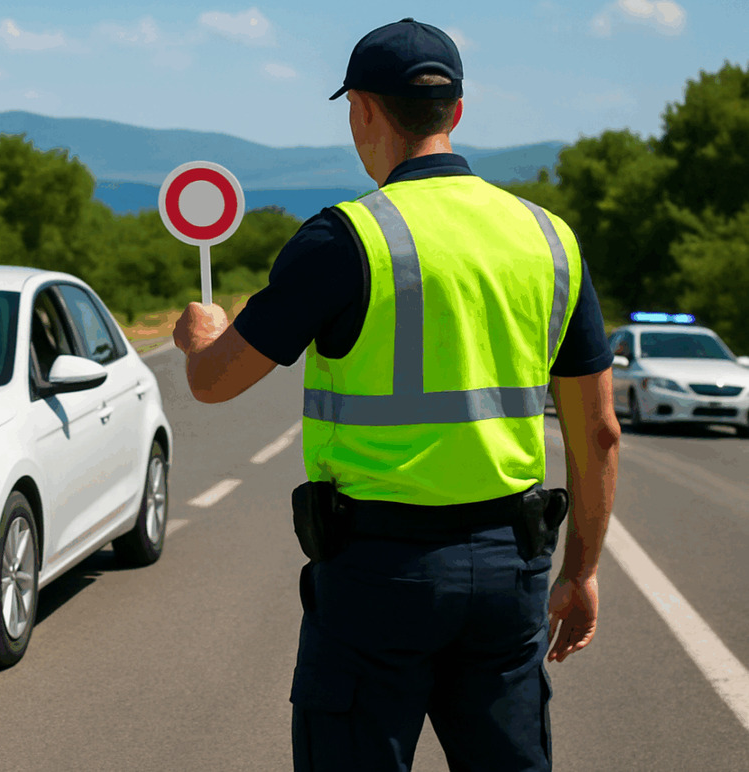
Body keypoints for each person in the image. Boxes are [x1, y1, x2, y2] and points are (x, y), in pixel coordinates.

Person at [172, 18, 621, 772]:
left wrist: (200, 336)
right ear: (458, 112)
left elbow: (216, 383)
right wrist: (581, 571)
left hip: (378, 577)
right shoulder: (550, 238)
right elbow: (599, 431)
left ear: (363, 110)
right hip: (508, 569)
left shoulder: (343, 240)